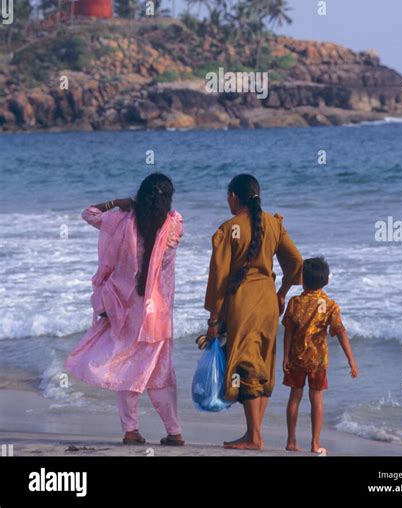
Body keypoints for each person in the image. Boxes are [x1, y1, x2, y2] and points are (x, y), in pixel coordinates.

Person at [64, 173, 185, 446]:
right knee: (160, 374)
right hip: (157, 314)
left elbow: (88, 213)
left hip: (126, 311)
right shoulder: (174, 226)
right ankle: (174, 432)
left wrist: (116, 202)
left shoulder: (121, 221)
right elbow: (173, 221)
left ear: (139, 197)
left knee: (128, 370)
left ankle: (131, 430)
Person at [204, 173, 303, 450]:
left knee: (245, 364)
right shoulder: (274, 224)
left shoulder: (229, 229)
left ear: (234, 197)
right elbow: (296, 264)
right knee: (261, 363)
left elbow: (218, 278)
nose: (227, 202)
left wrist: (213, 319)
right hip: (268, 302)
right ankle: (254, 433)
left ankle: (254, 436)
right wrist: (282, 293)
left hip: (242, 304)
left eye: (228, 197)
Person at [282, 256, 358, 454]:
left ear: (302, 279)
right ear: (326, 280)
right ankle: (315, 444)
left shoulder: (294, 302)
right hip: (318, 361)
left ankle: (291, 440)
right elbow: (341, 332)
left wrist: (285, 357)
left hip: (296, 358)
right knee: (316, 400)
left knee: (294, 398)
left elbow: (288, 331)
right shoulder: (330, 305)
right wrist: (351, 360)